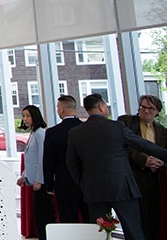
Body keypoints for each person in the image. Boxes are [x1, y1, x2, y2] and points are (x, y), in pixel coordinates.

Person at [67, 94, 167, 240]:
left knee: (99, 234)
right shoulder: (117, 127)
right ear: (101, 106)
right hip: (122, 187)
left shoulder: (75, 133)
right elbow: (142, 144)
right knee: (133, 231)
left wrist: (84, 183)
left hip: (94, 190)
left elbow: (72, 163)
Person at [117, 95, 167, 240]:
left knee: (154, 216)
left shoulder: (162, 131)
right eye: (143, 107)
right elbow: (123, 147)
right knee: (135, 219)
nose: (145, 111)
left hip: (155, 178)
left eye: (150, 108)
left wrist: (161, 163)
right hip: (132, 176)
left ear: (157, 111)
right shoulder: (126, 122)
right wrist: (144, 160)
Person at [43, 95, 87, 224]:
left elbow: (48, 162)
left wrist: (49, 185)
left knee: (68, 221)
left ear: (61, 109)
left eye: (57, 107)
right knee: (89, 220)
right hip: (88, 183)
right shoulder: (87, 129)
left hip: (64, 184)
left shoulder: (53, 132)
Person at [16, 105, 51, 240]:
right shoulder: (33, 133)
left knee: (43, 214)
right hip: (32, 180)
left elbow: (43, 157)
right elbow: (31, 159)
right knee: (39, 214)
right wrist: (24, 176)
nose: (25, 119)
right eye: (24, 116)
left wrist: (39, 179)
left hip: (40, 182)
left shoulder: (40, 133)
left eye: (28, 116)